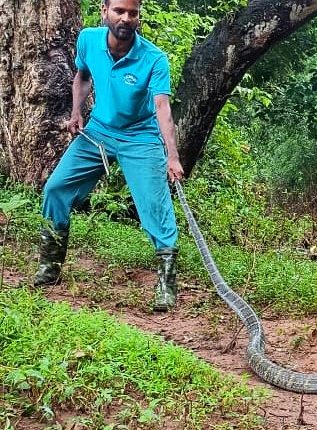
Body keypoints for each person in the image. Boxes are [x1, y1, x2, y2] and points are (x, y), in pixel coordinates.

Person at [34, 0, 184, 312]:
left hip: (140, 138)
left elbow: (161, 107)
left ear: (138, 17)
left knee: (155, 209)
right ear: (105, 11)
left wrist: (172, 156)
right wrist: (76, 113)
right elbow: (83, 76)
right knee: (55, 189)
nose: (126, 18)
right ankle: (50, 268)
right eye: (120, 11)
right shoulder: (88, 39)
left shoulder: (154, 58)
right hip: (99, 131)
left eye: (133, 13)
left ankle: (166, 285)